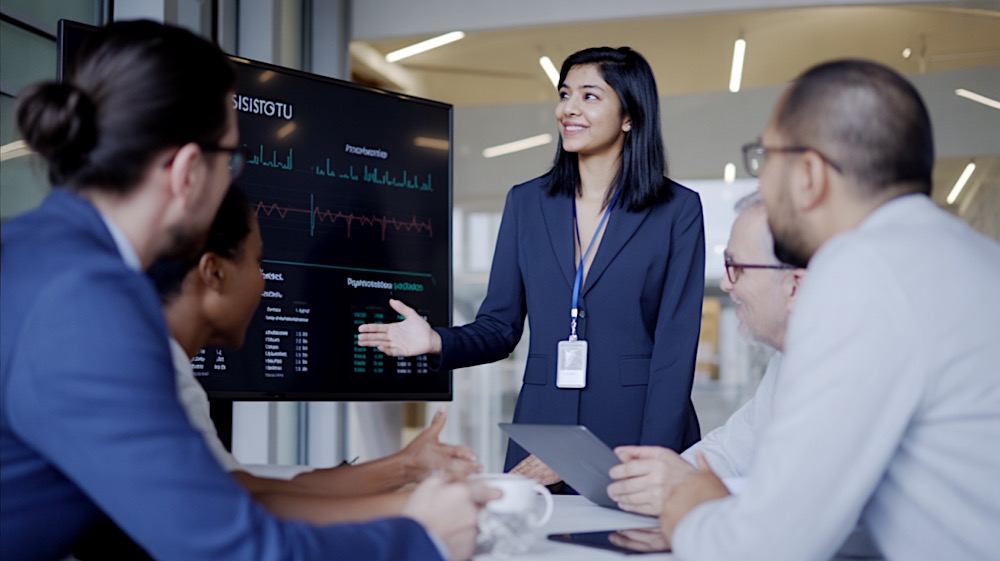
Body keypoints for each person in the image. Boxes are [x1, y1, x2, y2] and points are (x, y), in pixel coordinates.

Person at [0, 20, 493, 561]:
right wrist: (421, 538)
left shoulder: (35, 256)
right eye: (231, 161)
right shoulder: (89, 301)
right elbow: (226, 548)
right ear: (188, 171)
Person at [660, 60, 1000, 561]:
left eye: (765, 158)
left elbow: (763, 548)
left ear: (810, 174)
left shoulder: (862, 269)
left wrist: (691, 506)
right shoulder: (972, 257)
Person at [358, 46, 706, 485]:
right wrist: (435, 342)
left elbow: (674, 355)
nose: (568, 109)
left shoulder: (677, 210)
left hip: (635, 428)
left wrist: (649, 462)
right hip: (544, 430)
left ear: (630, 116)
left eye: (589, 96)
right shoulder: (526, 202)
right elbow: (499, 328)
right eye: (565, 94)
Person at [147, 185, 480, 517]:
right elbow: (230, 514)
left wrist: (408, 467)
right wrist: (418, 514)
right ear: (215, 273)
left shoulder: (173, 376)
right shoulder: (144, 382)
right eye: (258, 261)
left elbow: (245, 489)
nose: (264, 280)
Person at [607, 190, 805, 514]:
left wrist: (693, 495)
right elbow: (727, 453)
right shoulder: (787, 362)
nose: (726, 285)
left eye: (736, 267)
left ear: (794, 285)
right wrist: (647, 478)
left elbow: (799, 504)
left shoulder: (851, 369)